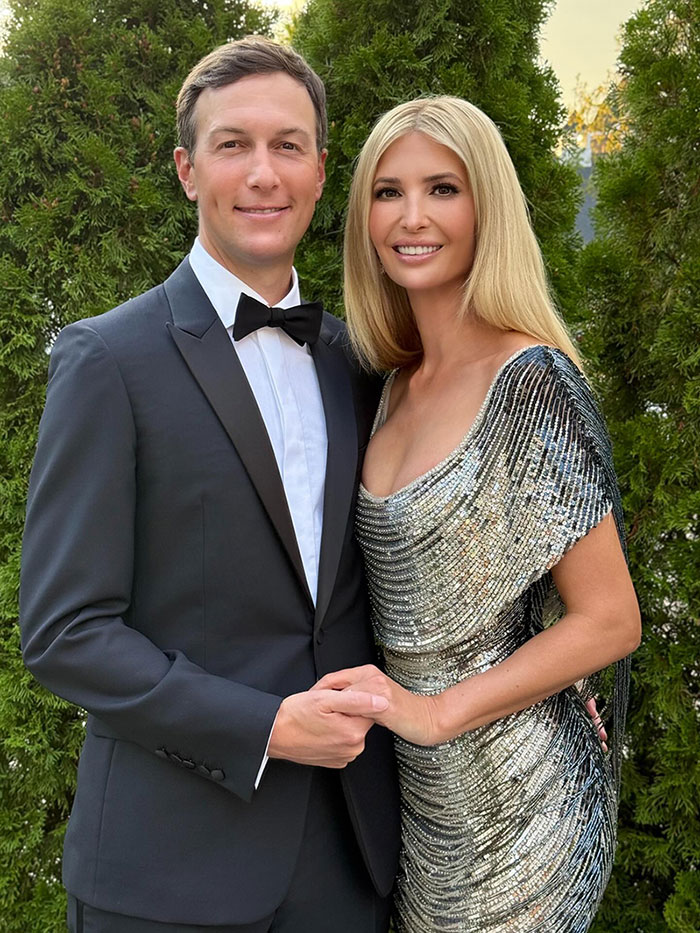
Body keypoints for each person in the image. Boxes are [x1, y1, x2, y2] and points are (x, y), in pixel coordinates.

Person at [19, 37, 400, 933]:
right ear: (189, 171)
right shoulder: (106, 359)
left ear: (318, 172)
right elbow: (65, 630)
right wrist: (266, 724)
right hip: (164, 876)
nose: (262, 173)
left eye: (288, 145)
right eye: (234, 145)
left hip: (346, 865)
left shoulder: (364, 363)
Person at [315, 97, 642, 932]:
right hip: (420, 810)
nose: (412, 217)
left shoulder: (530, 380)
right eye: (387, 192)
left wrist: (432, 711)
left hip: (523, 803)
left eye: (443, 189)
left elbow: (610, 620)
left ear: (484, 205)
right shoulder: (389, 383)